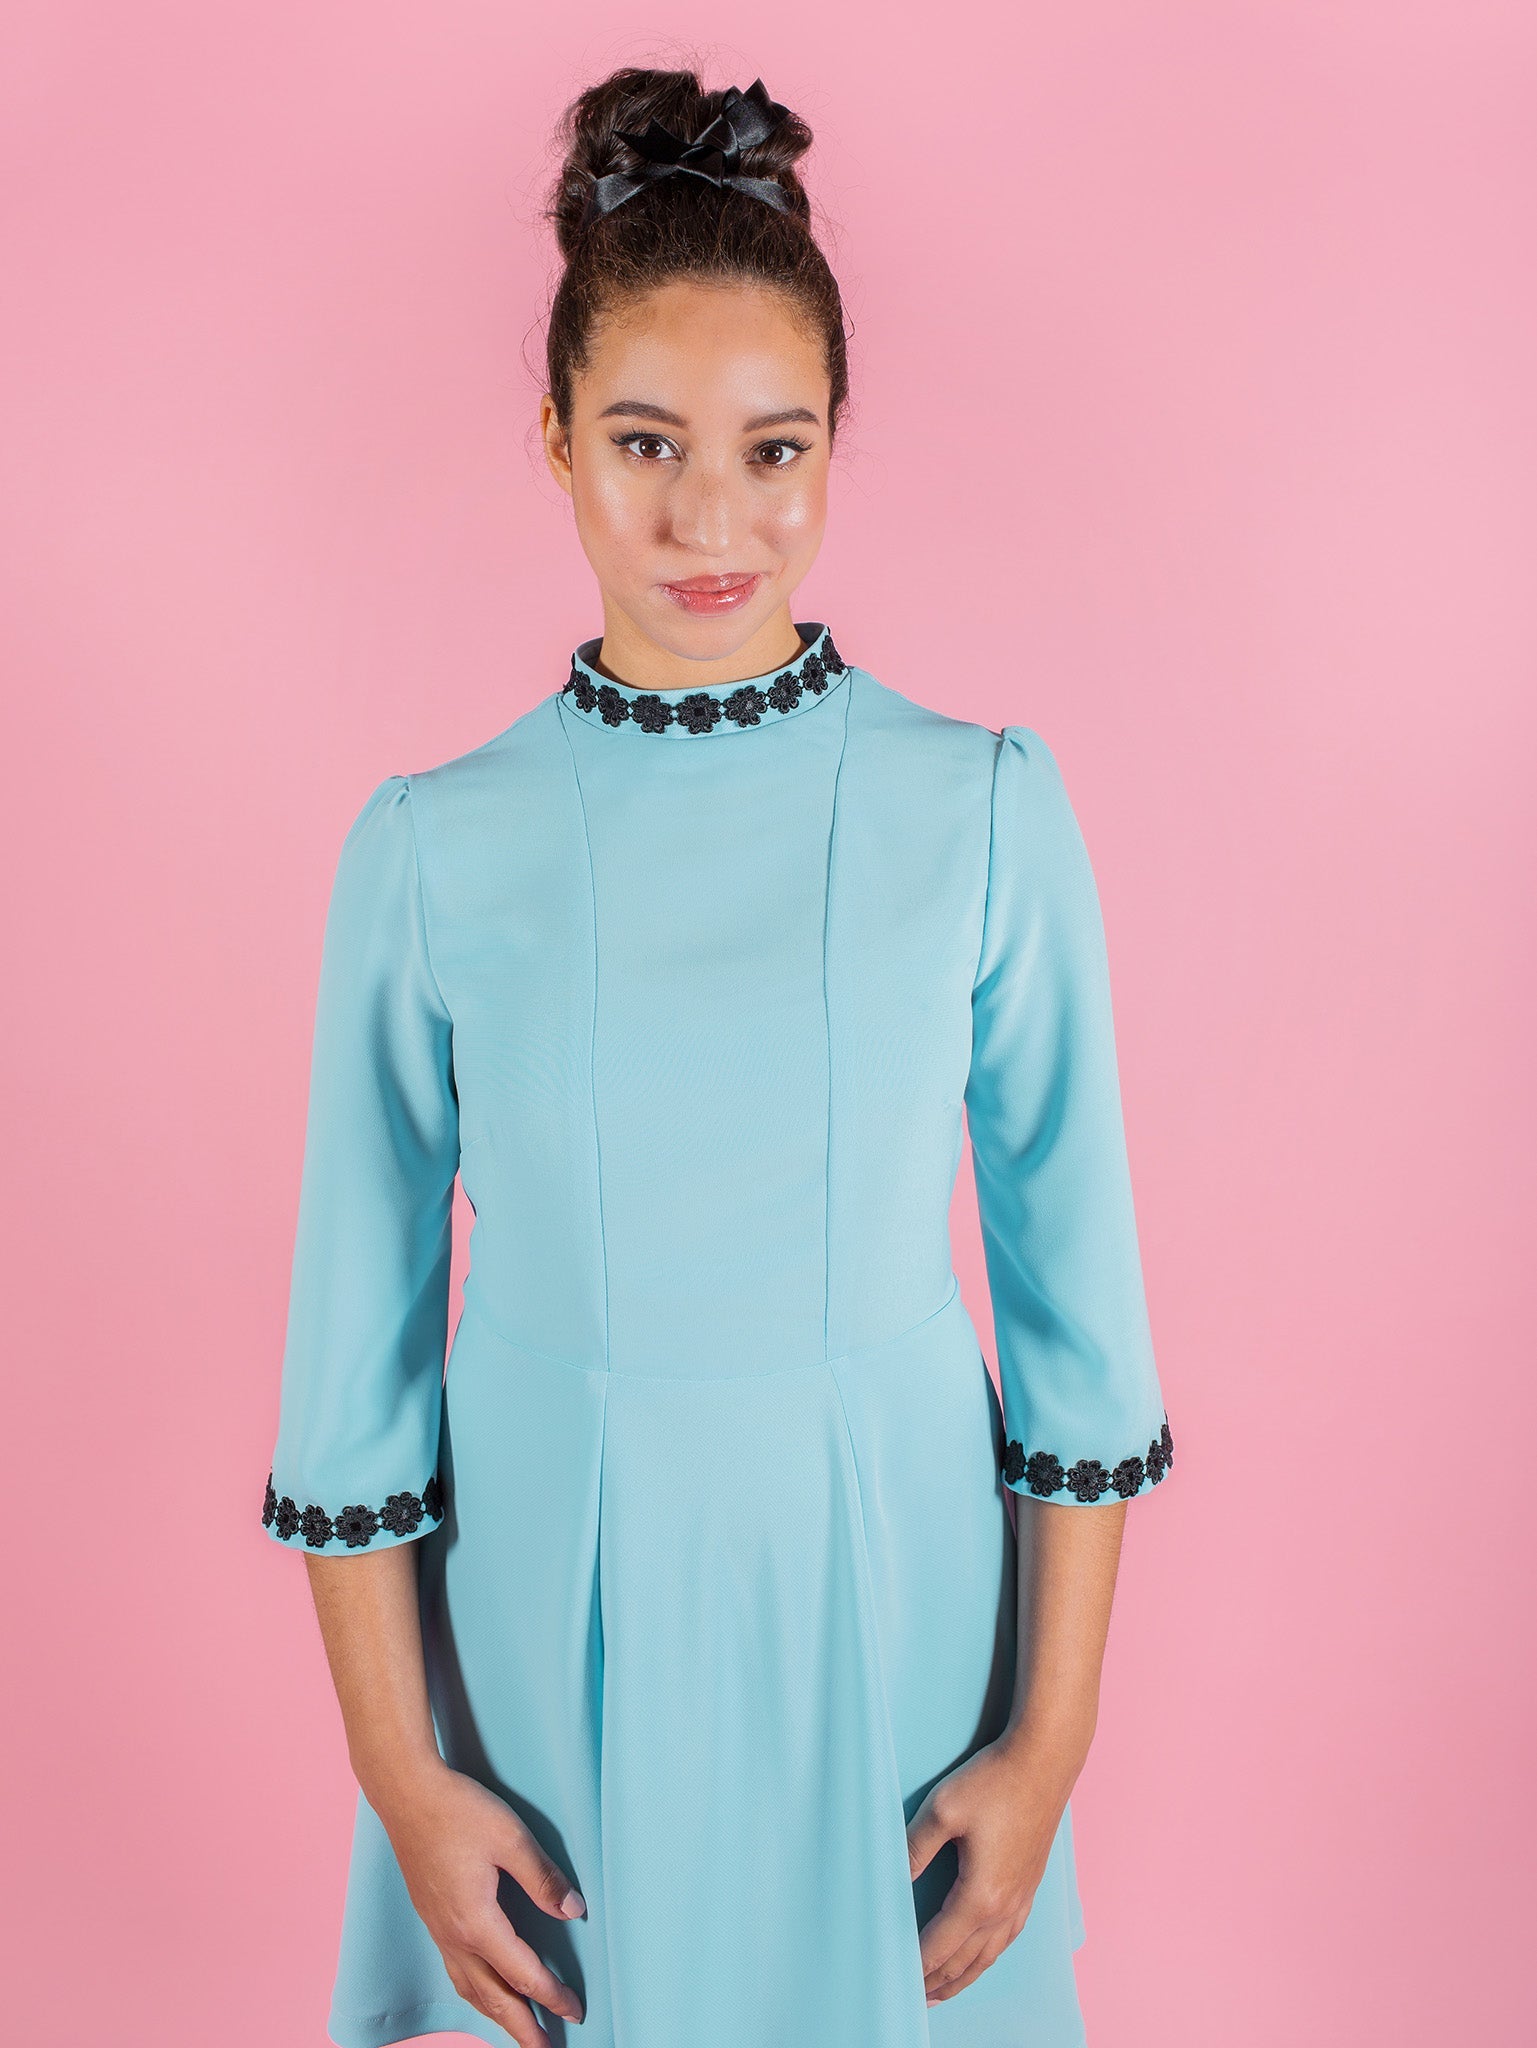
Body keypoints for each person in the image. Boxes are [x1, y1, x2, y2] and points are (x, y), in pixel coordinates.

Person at [260, 65, 1175, 2048]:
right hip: (546, 1636)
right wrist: (405, 1779)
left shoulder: (980, 812)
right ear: (555, 437)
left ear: (836, 440)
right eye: (643, 443)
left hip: (897, 1618)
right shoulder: (430, 851)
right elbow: (351, 1383)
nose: (709, 518)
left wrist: (1047, 1748)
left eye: (773, 449)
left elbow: (1080, 1335)